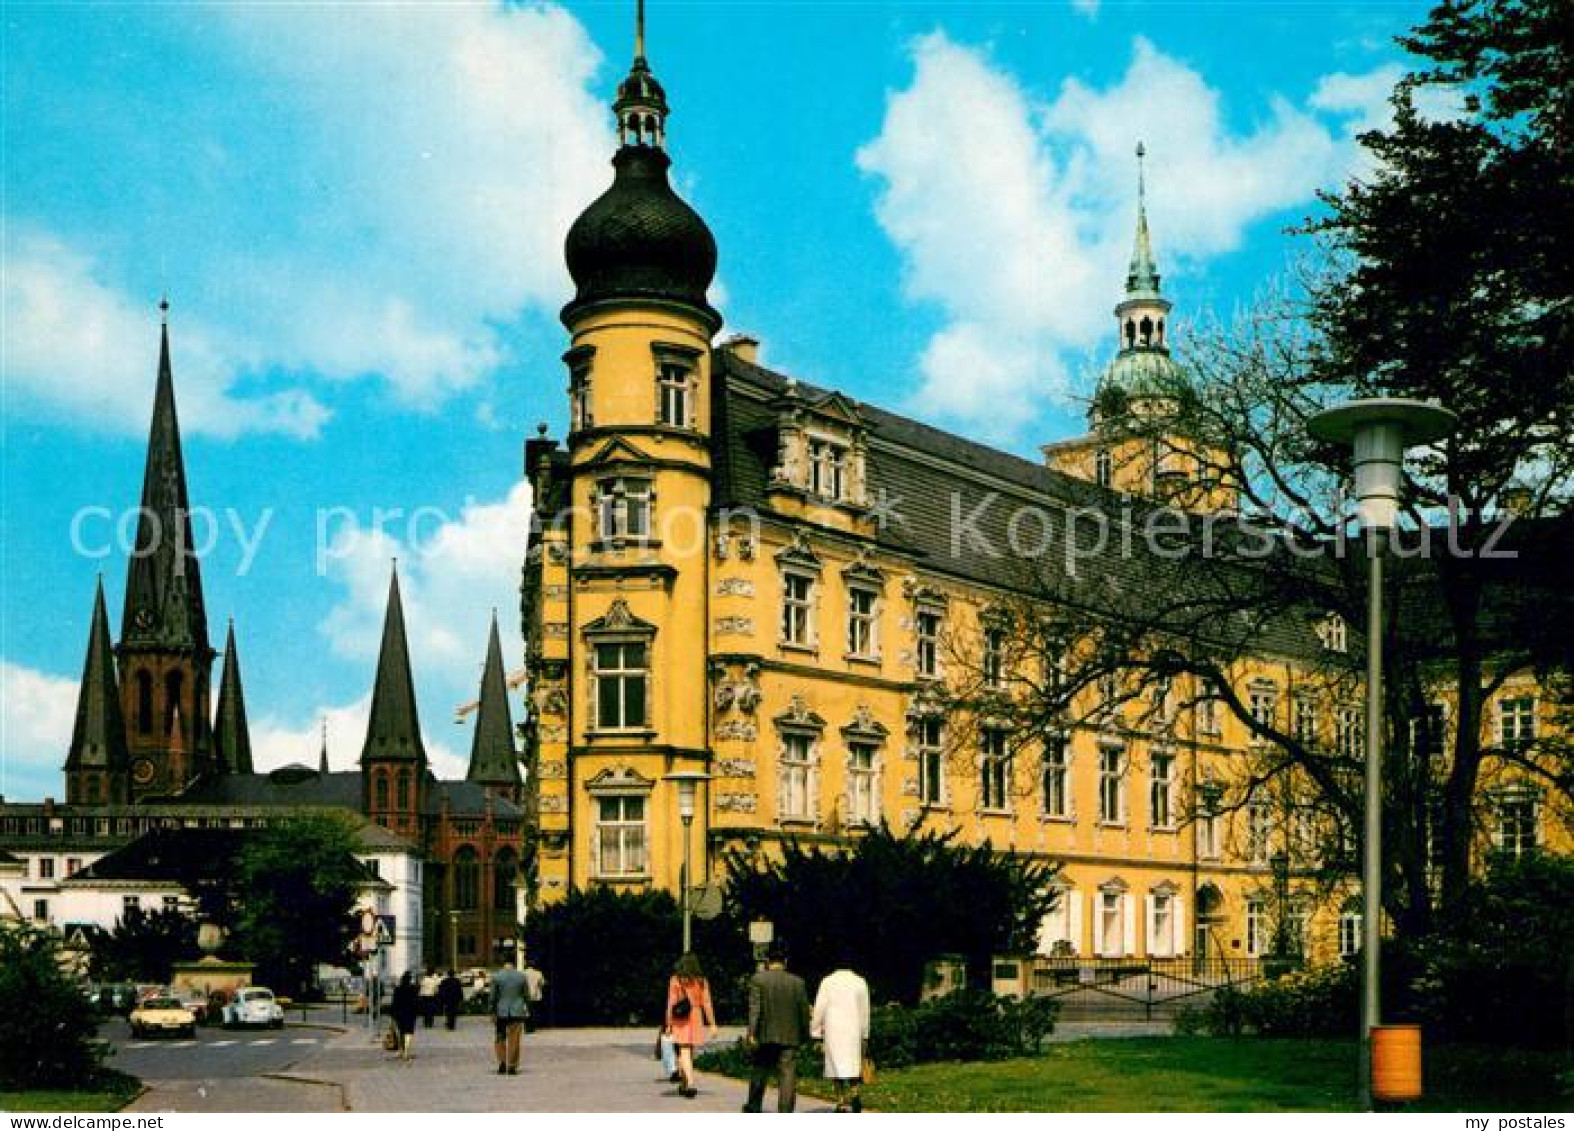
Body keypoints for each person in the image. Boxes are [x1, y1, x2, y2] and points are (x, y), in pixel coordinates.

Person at [743, 941, 811, 1113]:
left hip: (764, 1035)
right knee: (788, 1075)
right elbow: (803, 1011)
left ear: (767, 961)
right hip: (790, 1035)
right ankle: (785, 1111)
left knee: (760, 1069)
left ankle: (753, 1105)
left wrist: (751, 1032)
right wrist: (805, 1034)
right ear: (785, 961)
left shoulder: (758, 979)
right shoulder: (798, 983)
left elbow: (755, 1008)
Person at [812, 964, 871, 1112]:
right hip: (853, 1028)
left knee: (835, 1066)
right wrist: (865, 1033)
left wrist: (816, 1030)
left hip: (833, 1029)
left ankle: (841, 1102)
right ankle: (855, 1093)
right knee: (852, 1064)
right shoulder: (860, 981)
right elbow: (865, 1010)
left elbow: (819, 1008)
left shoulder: (827, 982)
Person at [665, 952, 716, 1099]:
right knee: (688, 1049)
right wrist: (712, 1024)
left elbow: (671, 1003)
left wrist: (668, 1023)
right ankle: (685, 1083)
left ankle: (690, 1083)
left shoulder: (675, 980)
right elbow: (707, 1003)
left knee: (684, 1049)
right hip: (696, 1015)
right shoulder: (701, 981)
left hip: (681, 1017)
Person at [490, 958, 529, 1075]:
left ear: (503, 964)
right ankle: (512, 1065)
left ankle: (502, 1062)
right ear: (514, 963)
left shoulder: (497, 976)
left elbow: (493, 997)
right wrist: (527, 1007)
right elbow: (526, 995)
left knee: (500, 1037)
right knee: (514, 1039)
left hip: (501, 1011)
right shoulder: (521, 976)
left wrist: (492, 1011)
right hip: (517, 1011)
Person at [390, 971, 420, 1062]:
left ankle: (402, 1050)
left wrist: (392, 1014)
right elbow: (417, 1000)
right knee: (409, 1032)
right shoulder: (413, 989)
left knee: (401, 1032)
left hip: (400, 1014)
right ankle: (406, 1051)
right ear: (410, 980)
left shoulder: (398, 989)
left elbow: (394, 1003)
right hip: (410, 1013)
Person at [521, 953, 546, 1032]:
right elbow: (542, 983)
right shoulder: (538, 973)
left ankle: (526, 1027)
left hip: (525, 995)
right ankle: (533, 1027)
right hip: (536, 995)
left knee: (526, 1011)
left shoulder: (522, 974)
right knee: (534, 1011)